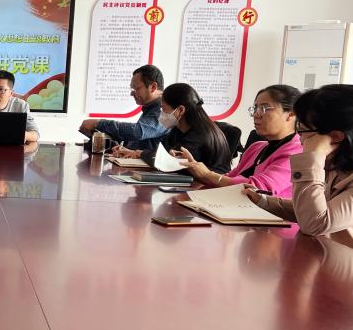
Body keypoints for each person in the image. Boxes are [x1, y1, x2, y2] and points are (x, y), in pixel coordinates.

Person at [245, 85, 353, 241]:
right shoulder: (335, 164)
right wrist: (263, 201)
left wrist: (311, 158)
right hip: (320, 252)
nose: (300, 139)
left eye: (302, 131)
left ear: (335, 137)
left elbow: (315, 223)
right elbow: (308, 210)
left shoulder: (317, 161)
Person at [180, 85, 302, 196]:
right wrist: (194, 167)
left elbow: (258, 189)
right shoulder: (256, 147)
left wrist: (207, 174)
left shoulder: (298, 153)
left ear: (291, 114)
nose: (256, 114)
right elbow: (229, 178)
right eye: (255, 108)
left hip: (267, 214)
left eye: (264, 108)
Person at [114, 82, 231, 173]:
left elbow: (169, 162)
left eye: (164, 109)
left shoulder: (199, 135)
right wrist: (134, 152)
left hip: (207, 189)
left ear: (180, 110)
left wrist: (140, 153)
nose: (161, 114)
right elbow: (161, 152)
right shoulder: (178, 129)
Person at [79, 64, 167, 150]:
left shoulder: (165, 111)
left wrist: (98, 123)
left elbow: (138, 132)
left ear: (153, 87)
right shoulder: (151, 109)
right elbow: (141, 141)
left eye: (136, 88)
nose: (131, 93)